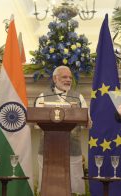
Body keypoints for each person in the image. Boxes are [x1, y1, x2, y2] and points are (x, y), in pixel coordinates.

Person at [35, 65, 87, 195]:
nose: (68, 80)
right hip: (48, 150)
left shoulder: (78, 98)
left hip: (72, 149)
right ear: (55, 78)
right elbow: (36, 123)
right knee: (48, 186)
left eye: (70, 77)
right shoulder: (42, 96)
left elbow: (87, 121)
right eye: (64, 77)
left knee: (74, 186)